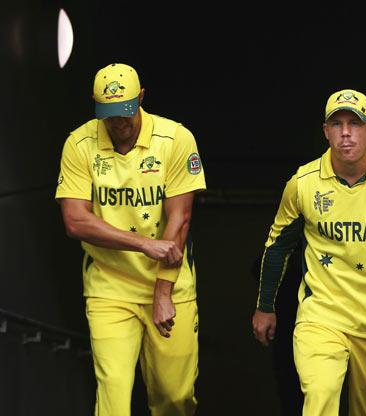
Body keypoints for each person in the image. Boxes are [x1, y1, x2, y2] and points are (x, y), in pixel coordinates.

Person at [252, 89, 366, 415]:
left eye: (355, 123)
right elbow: (278, 246)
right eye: (337, 124)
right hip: (323, 317)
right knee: (320, 395)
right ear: (325, 131)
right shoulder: (304, 183)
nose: (346, 133)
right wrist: (264, 306)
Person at [55, 63, 206, 416]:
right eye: (109, 114)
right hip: (110, 285)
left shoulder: (175, 139)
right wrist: (142, 244)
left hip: (169, 285)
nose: (118, 122)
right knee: (114, 395)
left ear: (140, 98)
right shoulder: (79, 144)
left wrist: (162, 292)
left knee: (174, 397)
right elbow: (75, 221)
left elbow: (179, 220)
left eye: (125, 111)